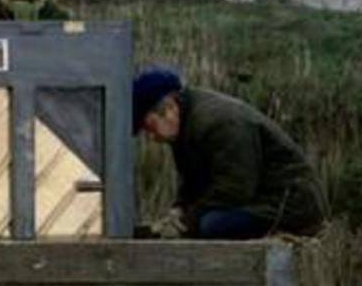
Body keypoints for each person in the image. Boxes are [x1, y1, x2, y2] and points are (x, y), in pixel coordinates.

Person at [133, 67, 328, 240]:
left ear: (170, 108)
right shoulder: (184, 128)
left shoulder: (220, 124)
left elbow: (235, 189)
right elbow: (194, 183)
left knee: (212, 225)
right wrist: (178, 211)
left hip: (291, 204)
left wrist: (187, 221)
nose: (152, 137)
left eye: (150, 127)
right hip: (258, 199)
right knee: (205, 223)